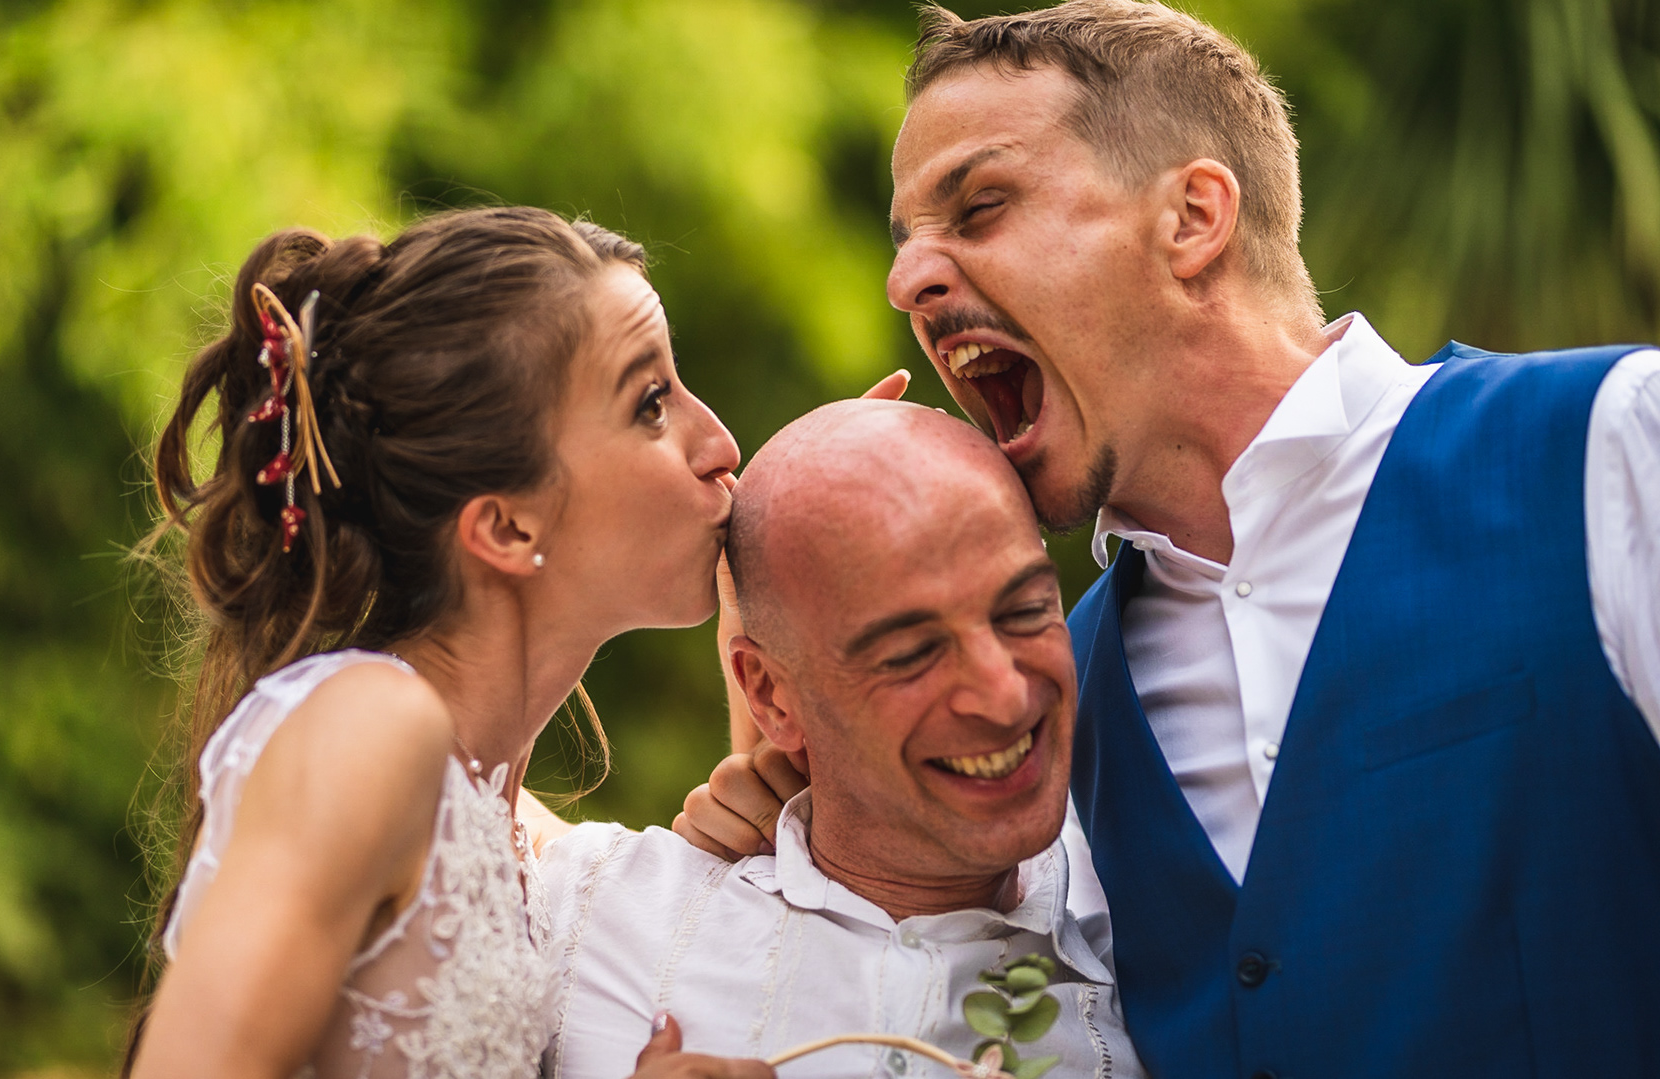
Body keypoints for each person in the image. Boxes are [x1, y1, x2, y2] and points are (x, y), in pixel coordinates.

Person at [691, 3, 1660, 1077]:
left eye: (980, 206)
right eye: (907, 241)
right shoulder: (1037, 703)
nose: (906, 281)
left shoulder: (1609, 444)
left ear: (1194, 218)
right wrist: (805, 788)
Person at [126, 207, 774, 1079]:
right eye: (651, 404)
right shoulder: (371, 729)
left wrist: (789, 629)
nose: (721, 443)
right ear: (505, 527)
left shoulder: (512, 835)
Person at [539, 400, 1143, 1079]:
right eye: (912, 653)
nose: (1004, 695)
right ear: (770, 693)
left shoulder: (1152, 957)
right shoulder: (590, 918)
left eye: (1026, 611)